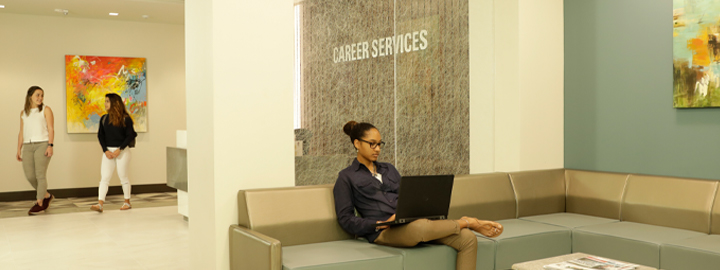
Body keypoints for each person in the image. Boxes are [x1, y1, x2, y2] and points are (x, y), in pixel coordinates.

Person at [333, 121, 504, 270]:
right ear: (357, 143)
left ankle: (466, 226)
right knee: (421, 227)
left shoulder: (389, 169)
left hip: (411, 222)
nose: (377, 149)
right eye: (372, 144)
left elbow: (407, 197)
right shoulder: (346, 177)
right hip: (384, 232)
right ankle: (468, 222)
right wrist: (379, 223)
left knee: (467, 238)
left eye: (379, 144)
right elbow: (345, 219)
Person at [91, 93, 137, 213]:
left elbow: (131, 135)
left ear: (114, 103)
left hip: (122, 151)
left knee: (123, 176)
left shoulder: (125, 119)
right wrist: (105, 150)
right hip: (108, 152)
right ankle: (100, 203)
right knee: (104, 178)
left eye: (107, 101)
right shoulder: (104, 119)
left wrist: (119, 149)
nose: (105, 103)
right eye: (105, 101)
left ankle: (127, 202)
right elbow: (100, 136)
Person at [16, 86, 55, 215]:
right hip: (27, 146)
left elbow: (50, 128)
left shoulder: (46, 109)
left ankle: (39, 202)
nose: (40, 98)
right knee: (30, 175)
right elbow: (21, 132)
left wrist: (50, 145)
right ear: (30, 96)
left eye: (42, 95)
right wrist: (18, 148)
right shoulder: (23, 113)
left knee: (40, 175)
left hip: (42, 144)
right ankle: (47, 196)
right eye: (37, 95)